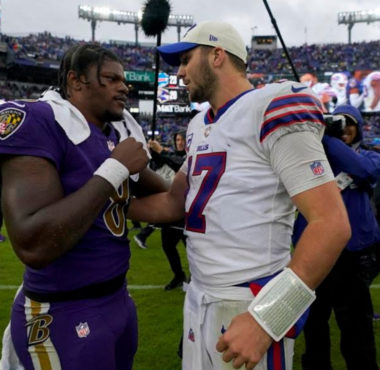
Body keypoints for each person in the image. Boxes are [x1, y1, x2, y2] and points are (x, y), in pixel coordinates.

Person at [127, 20, 351, 370]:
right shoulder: (200, 124)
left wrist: (268, 317)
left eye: (186, 59)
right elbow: (175, 203)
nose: (181, 72)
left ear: (217, 55)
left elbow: (332, 223)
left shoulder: (271, 106)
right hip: (199, 295)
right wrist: (110, 203)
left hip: (248, 300)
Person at [0, 44, 168, 370]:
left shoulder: (115, 133)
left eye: (125, 81)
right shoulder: (41, 120)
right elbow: (33, 243)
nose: (124, 87)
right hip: (62, 312)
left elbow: (167, 199)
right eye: (111, 78)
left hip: (118, 300)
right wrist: (114, 169)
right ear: (76, 82)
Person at [293, 105, 380, 370]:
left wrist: (327, 138)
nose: (344, 129)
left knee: (356, 325)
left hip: (351, 255)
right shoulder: (315, 160)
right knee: (315, 323)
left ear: (359, 128)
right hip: (315, 251)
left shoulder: (369, 156)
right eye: (338, 124)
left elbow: (365, 171)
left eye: (349, 124)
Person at [149, 131, 188, 290]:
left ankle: (197, 278)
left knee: (192, 249)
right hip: (170, 209)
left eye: (182, 139)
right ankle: (179, 275)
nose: (179, 142)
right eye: (177, 139)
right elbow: (158, 162)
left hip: (186, 210)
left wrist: (161, 151)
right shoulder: (170, 154)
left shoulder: (189, 156)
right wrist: (152, 151)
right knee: (167, 245)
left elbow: (177, 162)